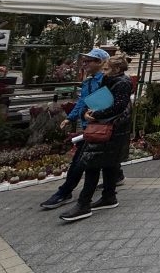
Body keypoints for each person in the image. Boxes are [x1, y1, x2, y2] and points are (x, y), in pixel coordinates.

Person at [41, 48, 119, 210]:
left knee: (79, 163)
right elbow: (82, 102)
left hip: (99, 127)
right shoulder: (88, 82)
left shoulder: (106, 81)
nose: (84, 64)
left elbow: (110, 105)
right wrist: (70, 118)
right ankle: (115, 177)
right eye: (84, 61)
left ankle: (66, 192)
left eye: (88, 61)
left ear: (100, 63)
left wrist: (98, 115)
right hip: (89, 128)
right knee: (98, 161)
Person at [59, 56, 133, 221]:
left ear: (117, 69)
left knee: (92, 163)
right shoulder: (109, 80)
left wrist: (96, 114)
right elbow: (97, 98)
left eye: (106, 69)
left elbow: (118, 107)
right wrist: (87, 111)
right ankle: (109, 196)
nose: (104, 72)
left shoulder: (123, 83)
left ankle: (84, 203)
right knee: (108, 163)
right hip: (107, 127)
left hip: (110, 127)